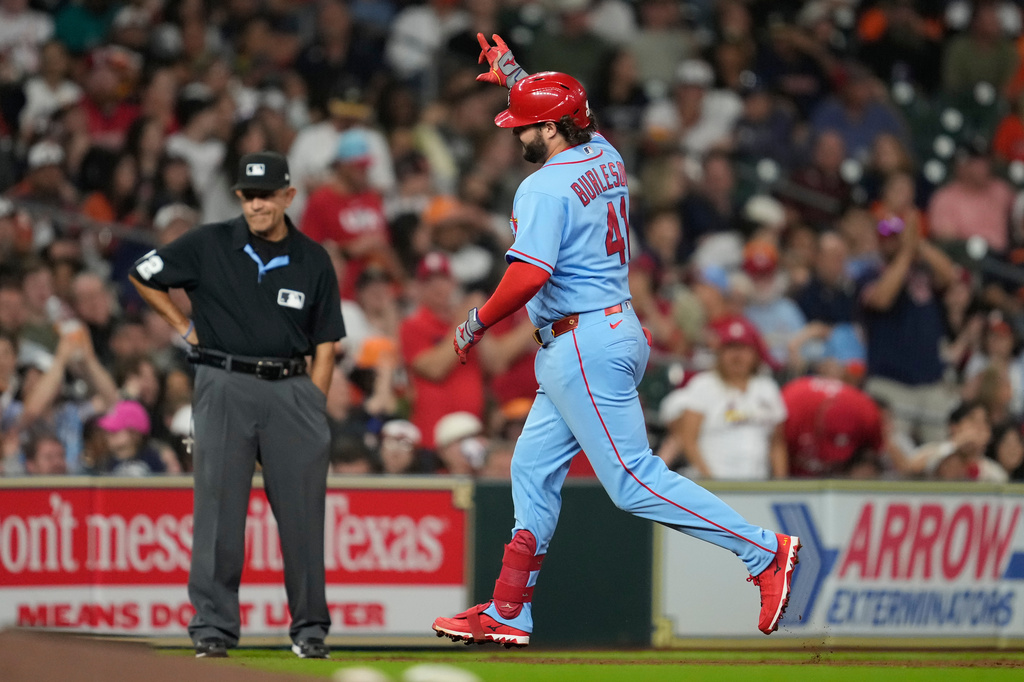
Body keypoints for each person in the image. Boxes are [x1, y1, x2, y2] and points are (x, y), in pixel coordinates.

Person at [431, 37, 800, 647]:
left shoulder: (543, 187)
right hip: (601, 330)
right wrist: (517, 77)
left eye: (523, 125)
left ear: (550, 128)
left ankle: (763, 551)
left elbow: (529, 275)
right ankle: (508, 609)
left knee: (631, 481)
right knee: (531, 468)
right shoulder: (604, 152)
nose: (514, 134)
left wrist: (474, 321)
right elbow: (575, 117)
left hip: (583, 339)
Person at [129, 151, 345, 660]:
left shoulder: (313, 257)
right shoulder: (208, 242)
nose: (257, 204)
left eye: (267, 194)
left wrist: (312, 400)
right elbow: (144, 273)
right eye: (249, 195)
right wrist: (183, 328)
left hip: (292, 388)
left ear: (288, 196)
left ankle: (310, 630)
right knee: (219, 515)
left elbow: (328, 341)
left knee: (302, 518)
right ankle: (213, 629)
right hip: (223, 381)